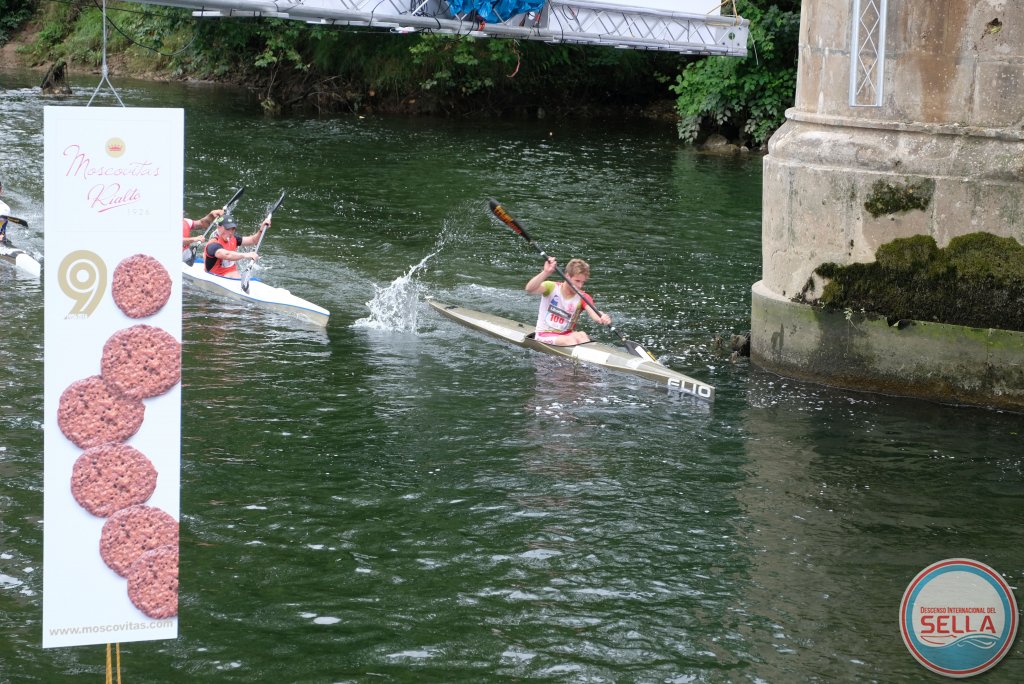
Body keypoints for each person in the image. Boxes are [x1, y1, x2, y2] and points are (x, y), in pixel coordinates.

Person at [525, 256, 611, 345]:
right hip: (544, 334)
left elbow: (595, 314)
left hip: (566, 335)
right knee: (569, 341)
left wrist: (602, 317)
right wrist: (546, 272)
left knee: (582, 336)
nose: (580, 286)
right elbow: (529, 289)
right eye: (577, 281)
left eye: (582, 282)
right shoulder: (551, 287)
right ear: (567, 276)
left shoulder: (583, 297)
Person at [203, 212, 269, 278]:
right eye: (227, 229)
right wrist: (245, 255)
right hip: (215, 276)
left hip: (232, 275)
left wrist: (261, 230)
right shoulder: (213, 244)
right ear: (219, 227)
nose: (230, 232)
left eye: (233, 229)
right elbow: (226, 255)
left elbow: (253, 240)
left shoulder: (233, 238)